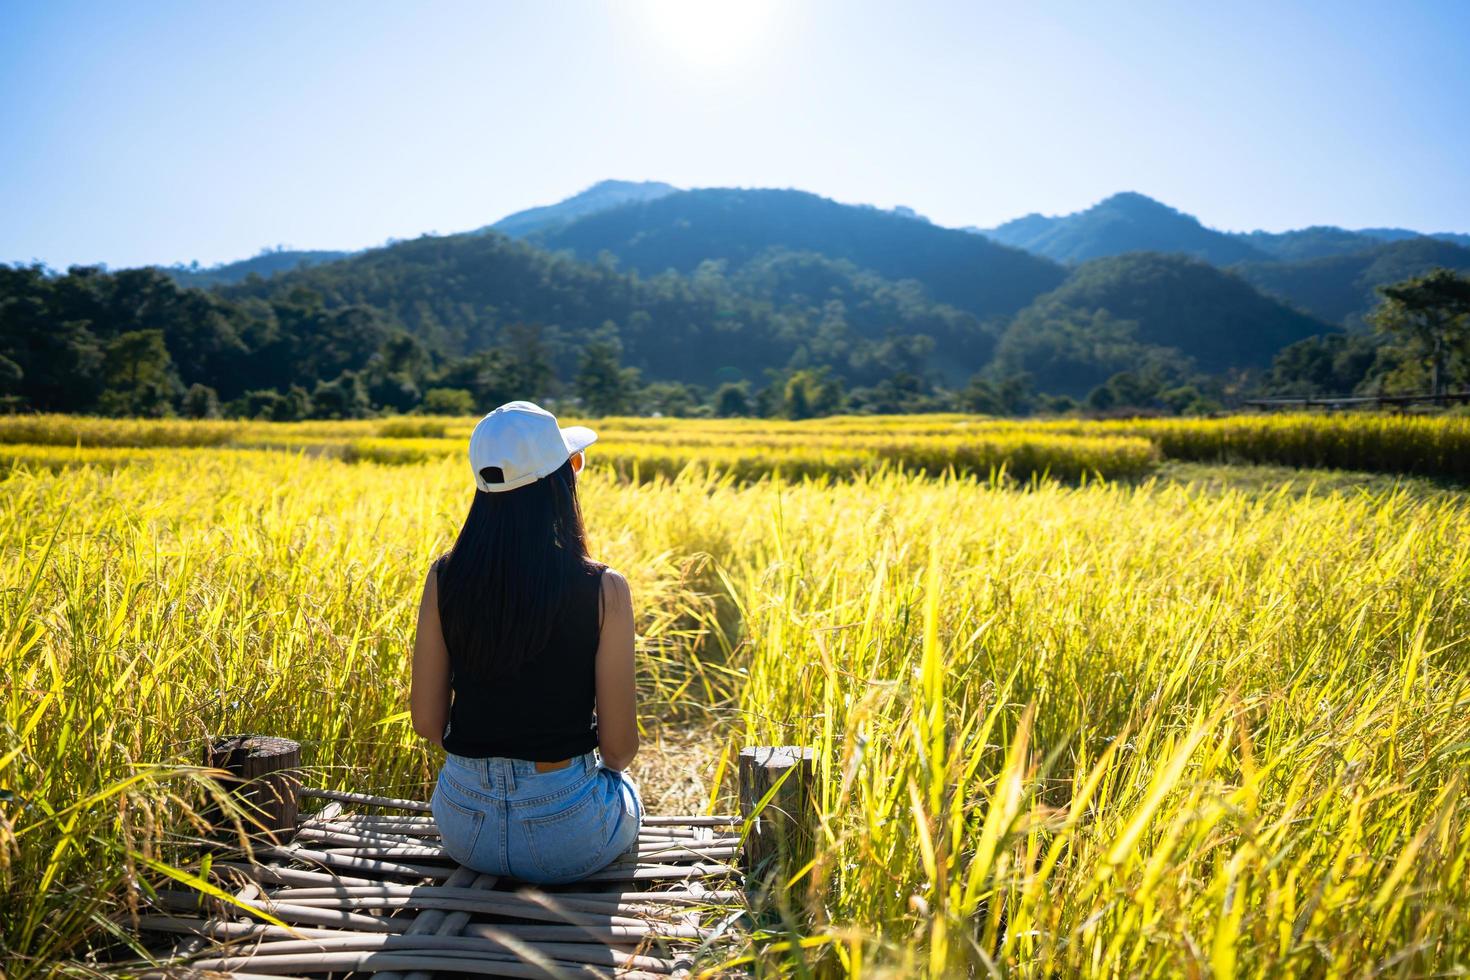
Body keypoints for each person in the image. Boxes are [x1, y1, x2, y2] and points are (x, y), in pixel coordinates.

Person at [410, 400, 643, 883]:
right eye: (572, 464)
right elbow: (619, 750)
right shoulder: (603, 588)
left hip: (462, 826)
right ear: (560, 479)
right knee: (627, 791)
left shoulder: (444, 577)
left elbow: (427, 722)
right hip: (565, 830)